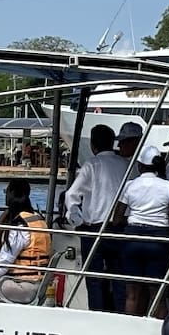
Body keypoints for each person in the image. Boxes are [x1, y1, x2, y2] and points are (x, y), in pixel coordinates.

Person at [63, 123, 130, 311]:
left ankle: (97, 313)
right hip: (119, 228)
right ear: (112, 143)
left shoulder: (92, 165)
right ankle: (120, 314)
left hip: (93, 229)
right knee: (119, 279)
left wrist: (77, 220)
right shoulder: (126, 165)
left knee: (94, 280)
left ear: (93, 145)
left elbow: (71, 196)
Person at [110, 144, 169, 317]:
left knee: (132, 294)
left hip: (133, 239)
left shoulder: (129, 185)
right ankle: (158, 334)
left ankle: (129, 331)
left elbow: (117, 218)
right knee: (158, 294)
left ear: (140, 166)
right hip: (159, 242)